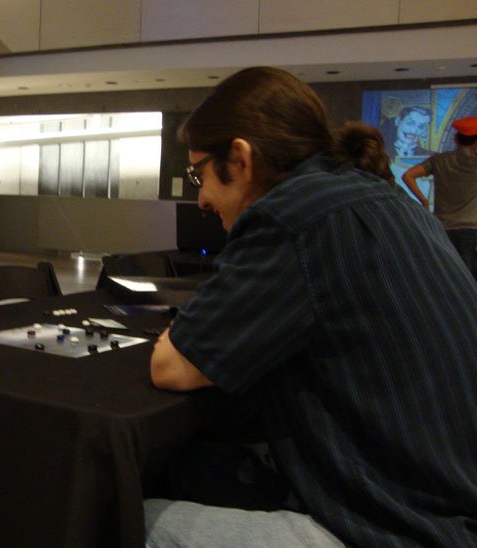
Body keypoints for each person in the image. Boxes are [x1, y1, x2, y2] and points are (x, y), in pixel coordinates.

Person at [146, 67, 477, 547]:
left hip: (398, 529)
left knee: (120, 515)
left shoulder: (290, 216)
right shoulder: (389, 200)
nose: (201, 197)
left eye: (200, 173)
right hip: (452, 507)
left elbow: (173, 365)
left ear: (240, 158)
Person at [402, 116, 477, 280]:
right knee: (468, 282)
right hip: (471, 231)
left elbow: (408, 176)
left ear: (456, 139)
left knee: (447, 277)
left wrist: (424, 201)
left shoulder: (439, 160)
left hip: (441, 230)